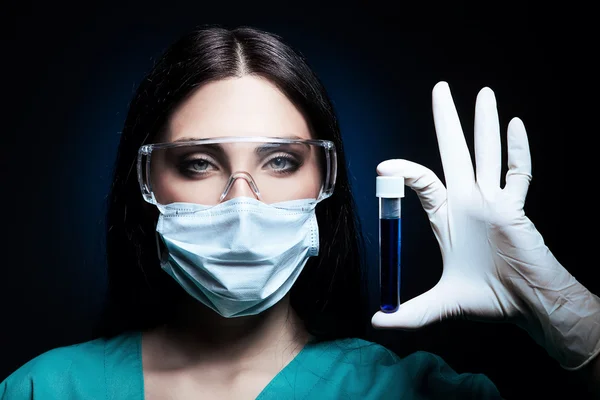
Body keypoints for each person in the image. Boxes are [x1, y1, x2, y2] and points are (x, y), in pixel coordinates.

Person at [1, 25, 598, 399]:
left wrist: (580, 328)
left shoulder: (406, 392)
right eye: (199, 164)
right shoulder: (45, 388)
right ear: (146, 184)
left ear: (325, 185)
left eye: (281, 162)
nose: (242, 202)